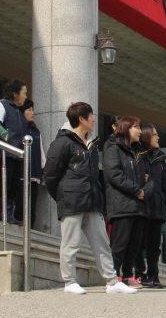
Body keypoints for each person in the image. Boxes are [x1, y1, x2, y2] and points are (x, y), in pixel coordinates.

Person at [43, 101, 136, 295]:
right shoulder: (62, 143)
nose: (94, 119)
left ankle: (112, 282)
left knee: (102, 242)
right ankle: (69, 282)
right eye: (91, 116)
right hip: (71, 201)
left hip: (92, 201)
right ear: (81, 119)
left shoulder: (93, 143)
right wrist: (59, 196)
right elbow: (50, 174)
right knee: (71, 243)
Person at [104, 116, 152, 289]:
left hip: (139, 206)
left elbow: (150, 177)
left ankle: (127, 276)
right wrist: (137, 190)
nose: (139, 131)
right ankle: (114, 277)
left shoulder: (140, 152)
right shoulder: (113, 148)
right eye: (136, 128)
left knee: (134, 244)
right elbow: (115, 176)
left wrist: (145, 191)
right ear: (125, 129)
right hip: (122, 205)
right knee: (120, 244)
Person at [134, 123, 166, 288]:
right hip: (141, 205)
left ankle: (153, 274)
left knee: (154, 245)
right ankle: (139, 274)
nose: (158, 137)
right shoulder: (138, 155)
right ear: (146, 137)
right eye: (155, 134)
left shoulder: (160, 159)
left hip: (157, 207)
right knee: (139, 243)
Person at [0, 79, 29, 224]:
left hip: (16, 155)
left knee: (13, 186)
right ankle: (1, 214)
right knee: (2, 185)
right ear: (15, 93)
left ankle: (9, 215)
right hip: (3, 153)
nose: (25, 97)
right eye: (24, 93)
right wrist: (6, 137)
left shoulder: (18, 112)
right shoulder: (0, 105)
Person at [17, 100, 44, 229]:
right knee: (20, 204)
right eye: (29, 110)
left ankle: (30, 230)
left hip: (34, 173)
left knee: (32, 206)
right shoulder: (19, 128)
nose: (32, 113)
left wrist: (43, 168)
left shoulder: (36, 130)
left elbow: (41, 151)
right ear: (22, 112)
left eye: (32, 110)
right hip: (20, 173)